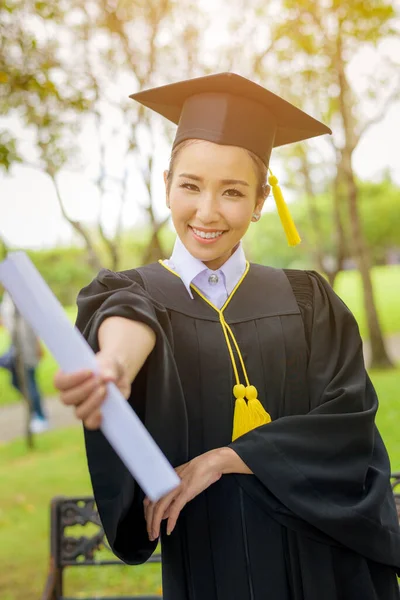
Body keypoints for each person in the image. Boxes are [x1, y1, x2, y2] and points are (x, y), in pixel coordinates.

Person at [54, 73, 400, 599]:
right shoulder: (135, 293)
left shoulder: (308, 300)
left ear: (261, 199)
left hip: (324, 564)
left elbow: (348, 419)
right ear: (167, 181)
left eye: (233, 192)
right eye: (190, 185)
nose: (208, 211)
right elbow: (127, 321)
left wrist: (223, 459)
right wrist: (114, 367)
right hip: (211, 567)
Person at [0, 291, 49, 433]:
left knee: (29, 381)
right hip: (16, 347)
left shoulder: (18, 295)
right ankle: (36, 409)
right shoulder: (9, 297)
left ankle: (40, 416)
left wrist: (37, 346)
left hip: (27, 347)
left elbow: (32, 322)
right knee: (18, 381)